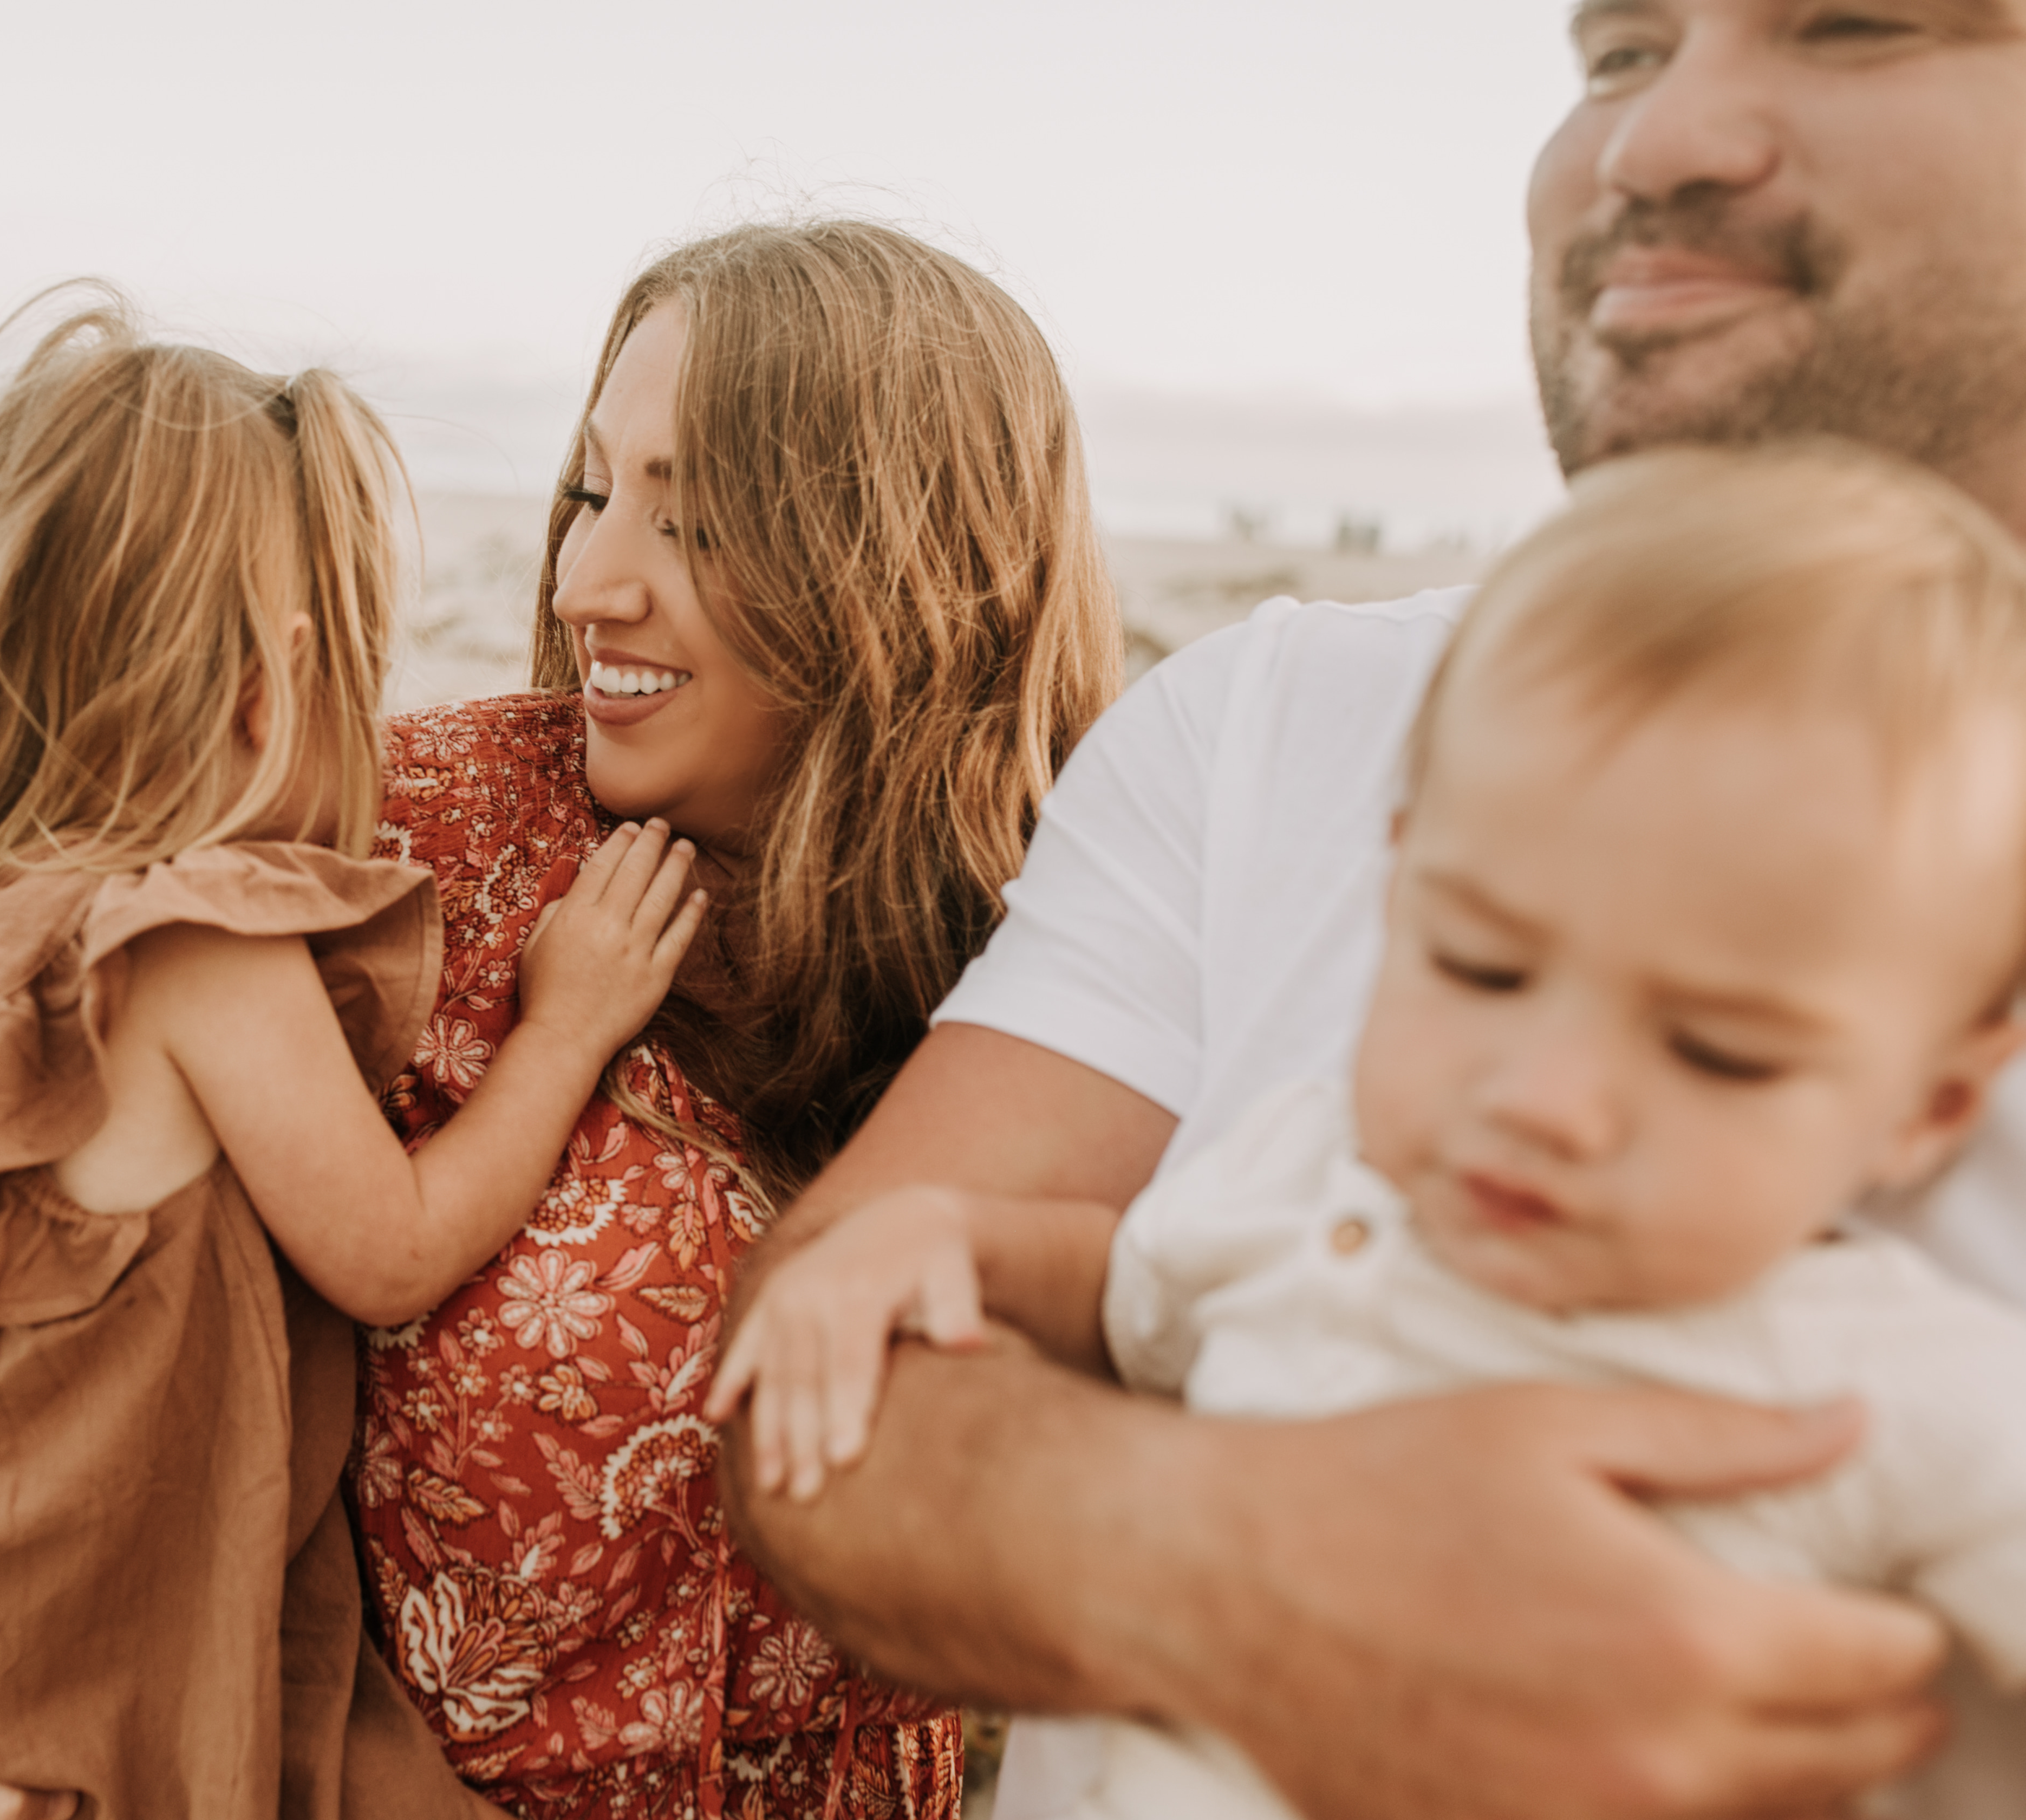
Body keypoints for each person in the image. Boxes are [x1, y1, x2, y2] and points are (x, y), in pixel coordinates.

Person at [716, 7, 2026, 1818]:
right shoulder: (1278, 721)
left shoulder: (1907, 1401)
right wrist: (1232, 1566)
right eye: (1621, 50)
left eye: (1861, 22)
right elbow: (835, 1342)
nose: (1659, 142)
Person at [0, 220, 1125, 1820]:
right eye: (597, 492)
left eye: (697, 519)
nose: (584, 579)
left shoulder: (1089, 955)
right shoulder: (389, 842)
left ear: (903, 561)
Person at [0, 291, 712, 1818]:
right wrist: (563, 1031)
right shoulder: (193, 947)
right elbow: (392, 1249)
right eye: (358, 672)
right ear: (271, 685)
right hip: (133, 1674)